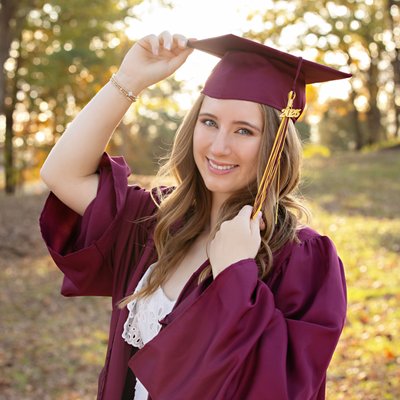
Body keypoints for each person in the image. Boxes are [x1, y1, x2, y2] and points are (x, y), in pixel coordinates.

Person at [39, 31, 350, 400]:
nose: (219, 146)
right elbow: (62, 174)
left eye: (244, 130)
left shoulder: (302, 259)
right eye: (209, 122)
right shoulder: (155, 220)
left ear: (275, 145)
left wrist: (235, 274)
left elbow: (281, 387)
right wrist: (128, 80)